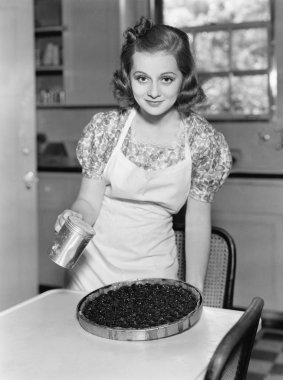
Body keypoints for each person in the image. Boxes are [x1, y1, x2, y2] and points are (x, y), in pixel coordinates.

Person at [54, 17, 232, 293]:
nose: (153, 92)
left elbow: (197, 222)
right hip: (91, 273)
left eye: (166, 79)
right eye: (142, 78)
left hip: (156, 275)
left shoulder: (201, 140)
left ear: (184, 78)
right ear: (128, 77)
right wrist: (75, 216)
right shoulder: (107, 129)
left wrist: (194, 287)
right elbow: (88, 202)